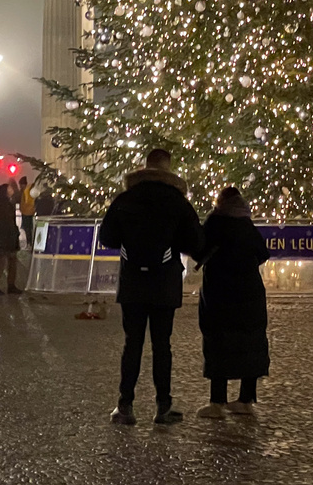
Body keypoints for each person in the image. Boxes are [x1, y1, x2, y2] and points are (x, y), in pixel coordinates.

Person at [99, 148, 202, 426]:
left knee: (132, 343)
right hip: (164, 281)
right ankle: (163, 406)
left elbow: (106, 236)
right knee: (162, 345)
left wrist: (130, 242)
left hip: (132, 280)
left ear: (145, 167)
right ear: (168, 169)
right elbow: (195, 241)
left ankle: (125, 405)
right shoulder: (177, 202)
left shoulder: (126, 198)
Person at [195, 187, 270, 418]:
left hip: (220, 292)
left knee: (219, 340)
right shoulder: (247, 225)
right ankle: (246, 399)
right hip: (249, 291)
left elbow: (199, 250)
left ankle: (217, 402)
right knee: (250, 341)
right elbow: (263, 253)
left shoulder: (215, 223)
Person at [19, 176, 37, 249]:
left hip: (27, 212)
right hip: (28, 211)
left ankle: (30, 243)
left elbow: (26, 202)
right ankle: (30, 243)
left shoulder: (26, 191)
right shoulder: (29, 189)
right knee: (30, 228)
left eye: (20, 184)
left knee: (28, 229)